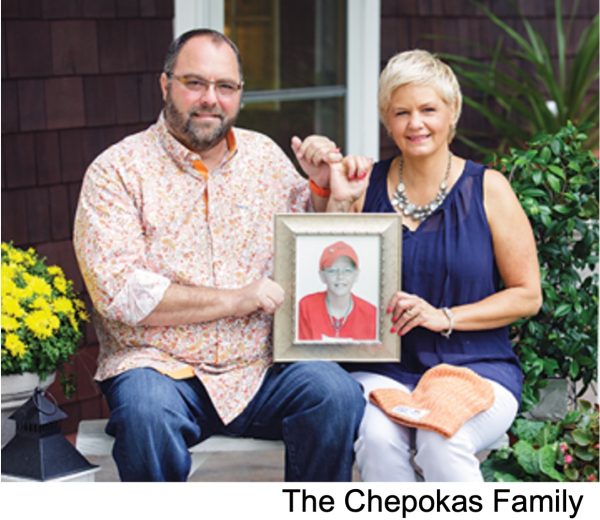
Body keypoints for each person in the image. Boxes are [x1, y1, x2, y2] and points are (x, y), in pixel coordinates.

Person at [73, 28, 367, 482]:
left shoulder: (264, 158)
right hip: (161, 370)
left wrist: (326, 191)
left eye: (225, 86)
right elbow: (121, 294)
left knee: (335, 393)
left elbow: (314, 262)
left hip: (260, 369)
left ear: (240, 94)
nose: (211, 98)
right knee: (146, 414)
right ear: (165, 84)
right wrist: (236, 299)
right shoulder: (117, 171)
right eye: (195, 83)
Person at [328, 49, 542, 481]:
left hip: (474, 366)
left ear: (453, 112)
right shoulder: (364, 185)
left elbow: (527, 295)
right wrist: (338, 200)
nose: (415, 124)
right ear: (387, 120)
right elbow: (331, 273)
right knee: (378, 439)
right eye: (401, 112)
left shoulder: (488, 189)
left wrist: (443, 317)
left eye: (428, 109)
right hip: (381, 368)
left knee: (441, 437)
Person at [298, 240, 377, 340]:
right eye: (332, 271)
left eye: (347, 270)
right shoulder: (306, 307)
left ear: (356, 275)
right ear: (322, 276)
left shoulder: (371, 314)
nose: (340, 276)